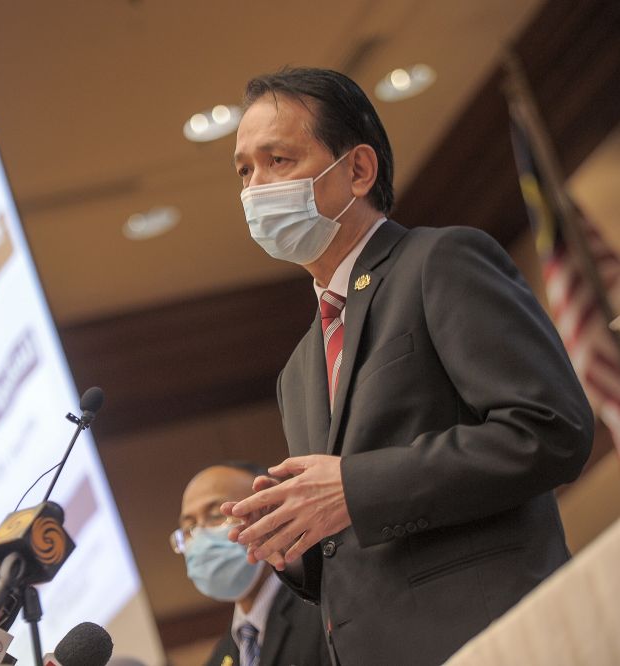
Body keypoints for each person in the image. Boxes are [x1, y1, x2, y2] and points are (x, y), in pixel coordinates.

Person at [223, 67, 593, 665]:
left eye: (278, 160)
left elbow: (550, 430)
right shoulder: (296, 370)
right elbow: (352, 551)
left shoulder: (439, 261)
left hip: (496, 643)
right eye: (244, 171)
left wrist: (353, 487)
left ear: (358, 170)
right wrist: (290, 543)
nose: (255, 188)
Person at [175, 462, 329, 666]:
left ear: (268, 511)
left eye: (216, 516)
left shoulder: (325, 610)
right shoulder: (220, 657)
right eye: (189, 527)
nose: (200, 536)